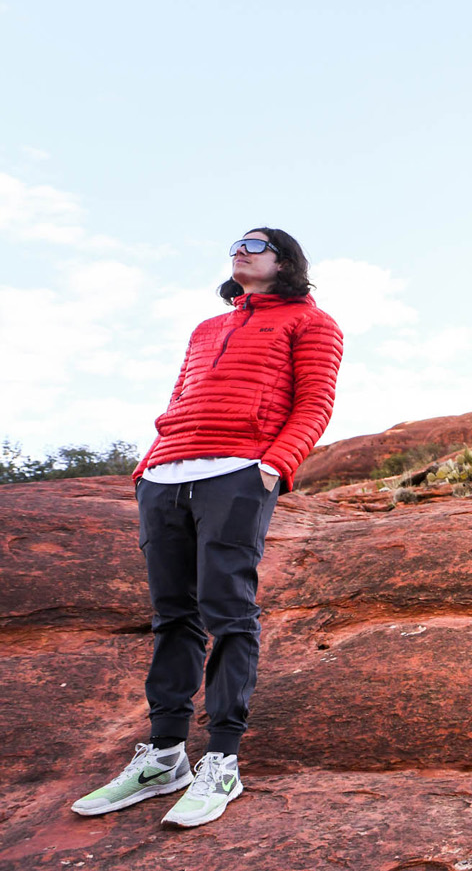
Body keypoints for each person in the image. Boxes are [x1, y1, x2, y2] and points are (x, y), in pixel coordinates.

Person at [72, 228, 343, 828]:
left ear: (285, 260)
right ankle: (164, 758)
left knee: (228, 610)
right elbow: (179, 396)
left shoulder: (311, 322)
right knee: (173, 614)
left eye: (255, 242)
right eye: (236, 244)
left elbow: (316, 403)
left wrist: (273, 468)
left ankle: (222, 759)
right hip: (167, 474)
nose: (240, 249)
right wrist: (147, 466)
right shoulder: (206, 328)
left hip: (239, 472)